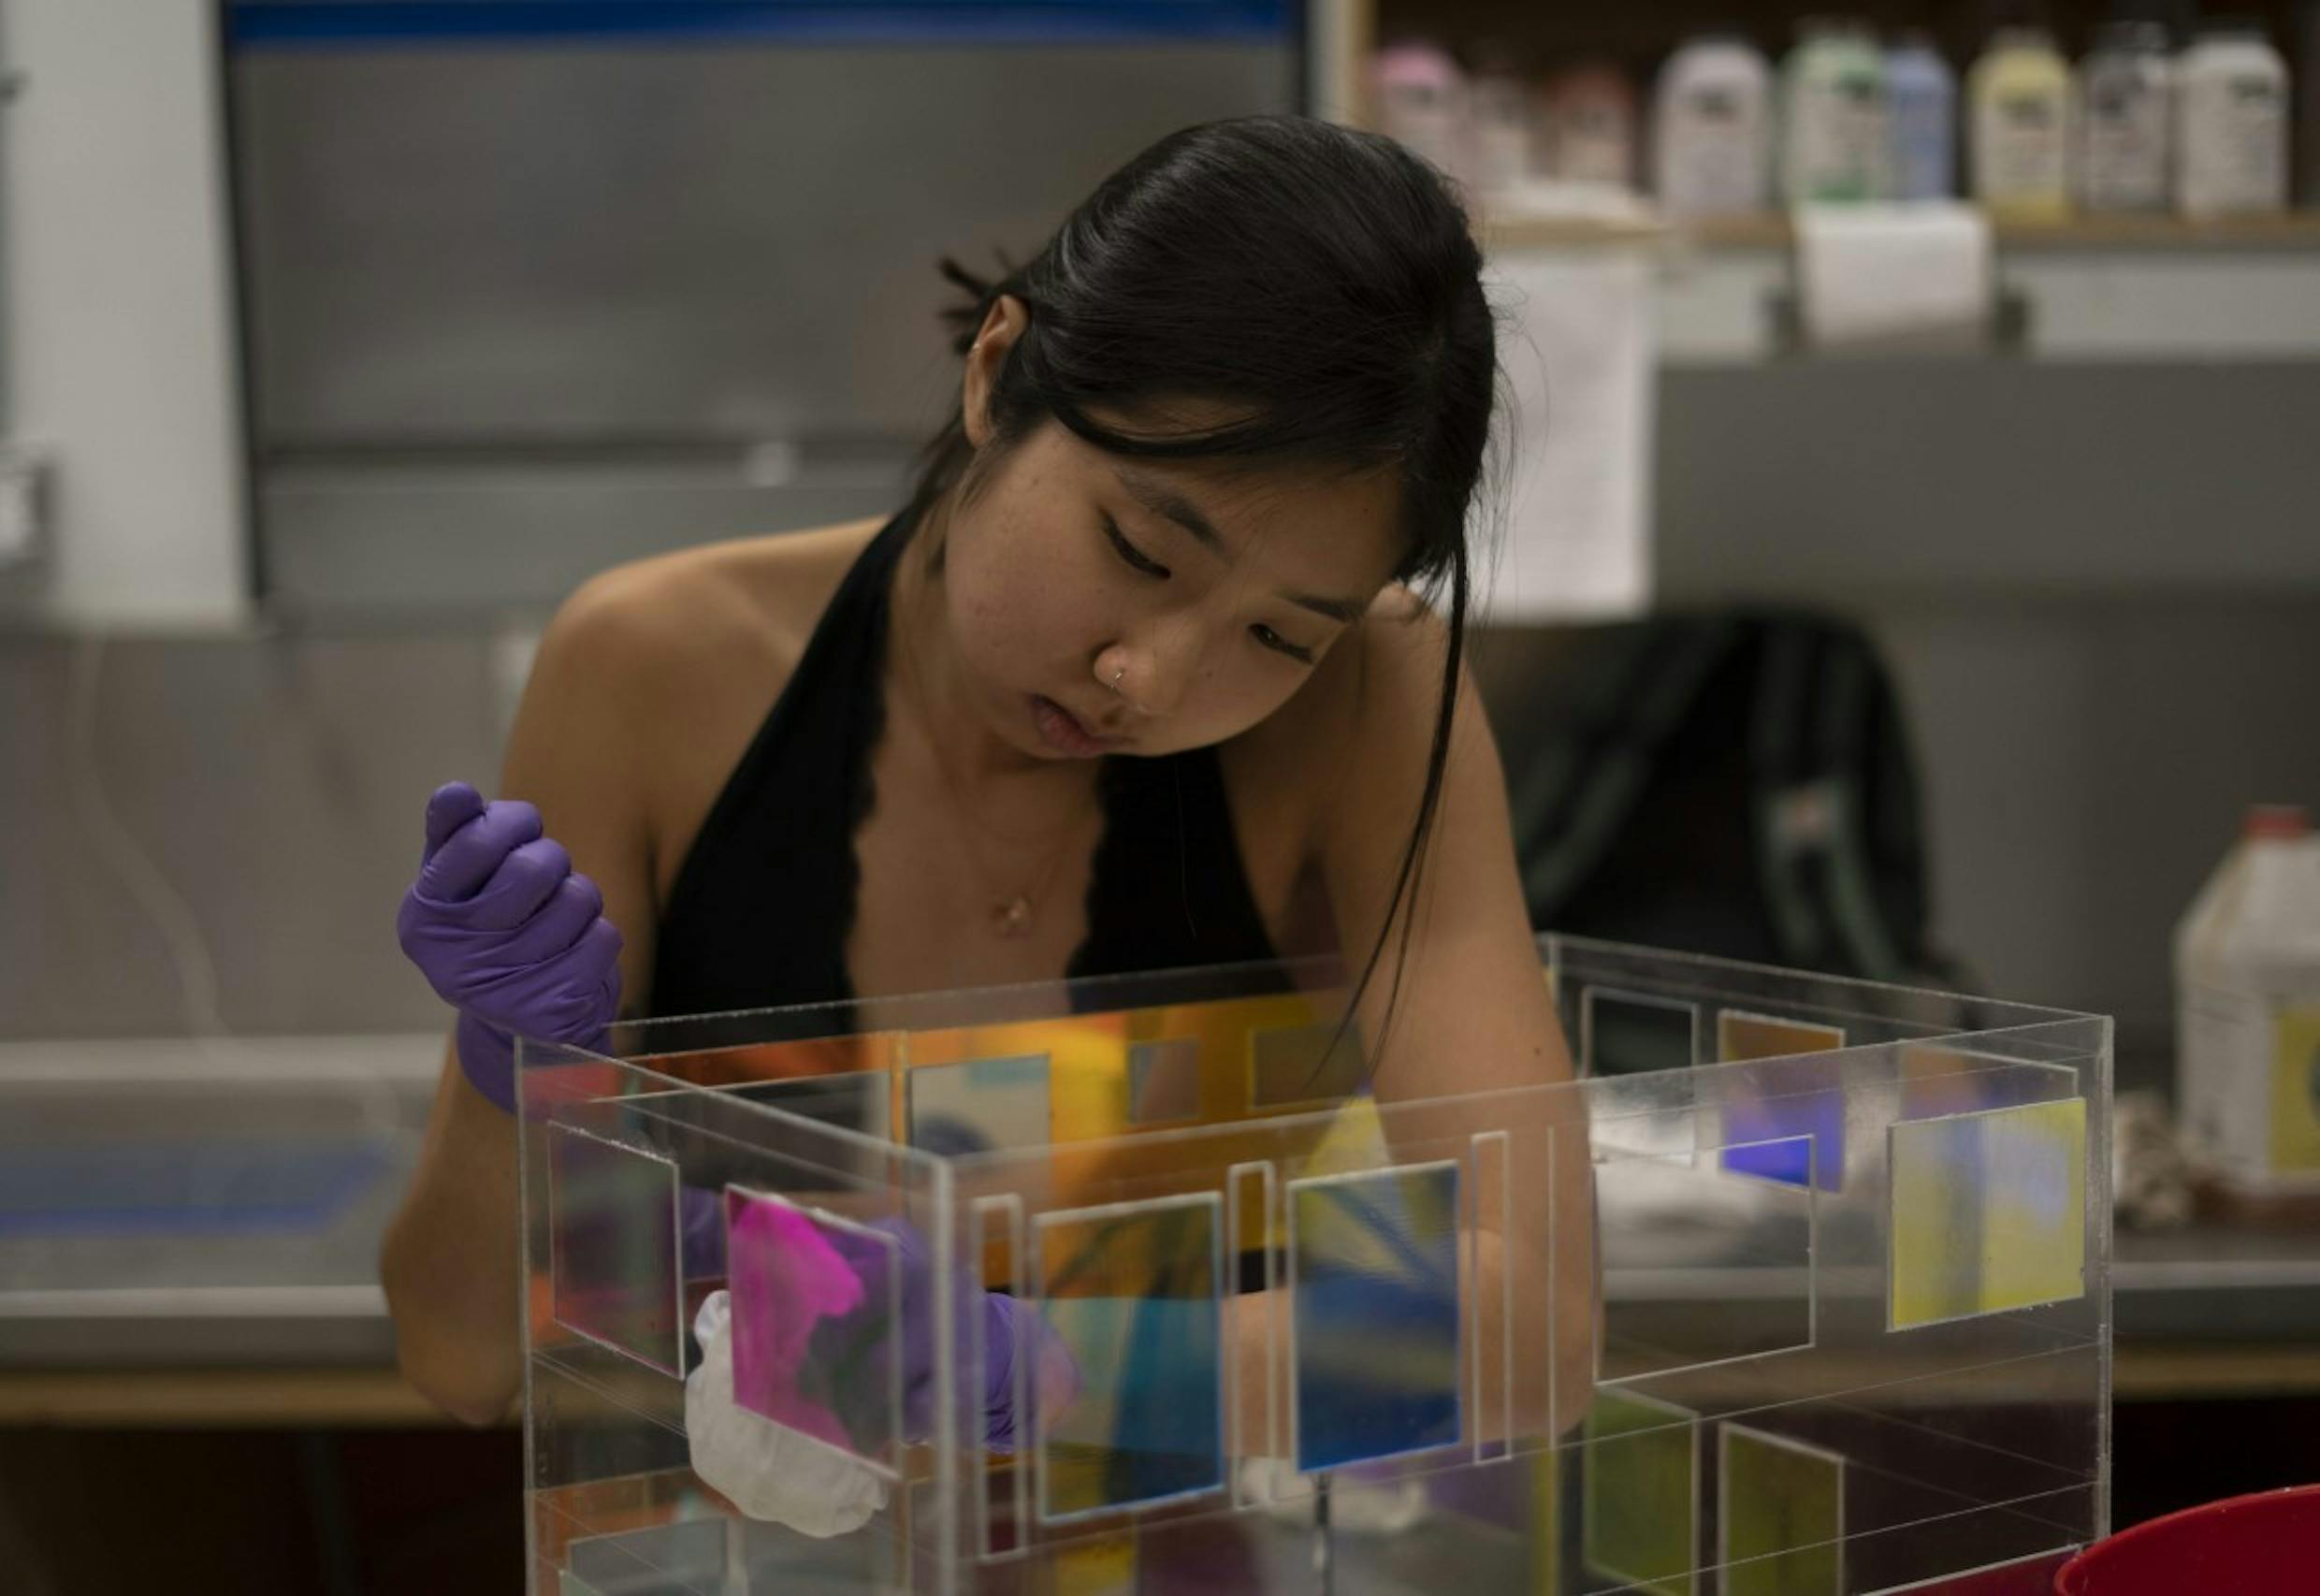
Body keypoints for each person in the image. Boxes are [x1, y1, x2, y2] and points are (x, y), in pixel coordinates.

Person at [384, 115, 1580, 1455]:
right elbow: (459, 1357)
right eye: (1140, 550)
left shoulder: (1369, 700)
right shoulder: (654, 670)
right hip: (737, 1541)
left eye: (1276, 636)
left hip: (1177, 1535)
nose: (1150, 678)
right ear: (998, 373)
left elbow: (1536, 1335)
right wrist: (511, 1072)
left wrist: (1049, 1370)